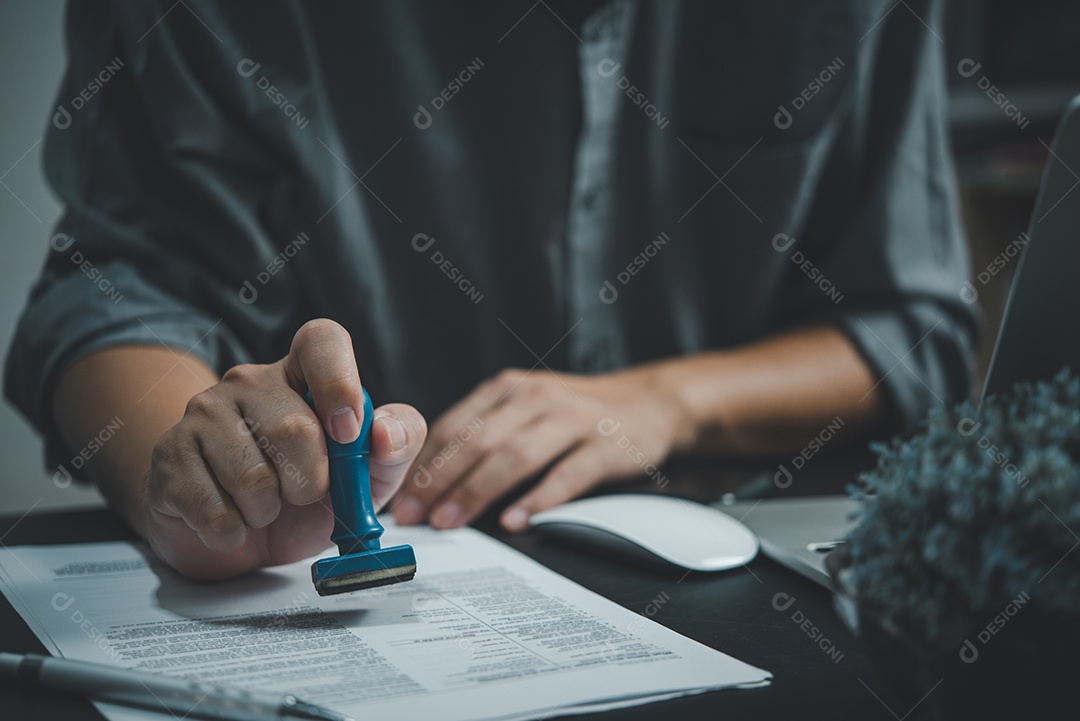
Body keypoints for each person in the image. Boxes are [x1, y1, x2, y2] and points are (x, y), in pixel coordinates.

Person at [5, 0, 977, 581]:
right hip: (331, 583)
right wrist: (200, 489)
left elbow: (912, 328)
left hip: (758, 567)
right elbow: (113, 287)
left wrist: (665, 401)